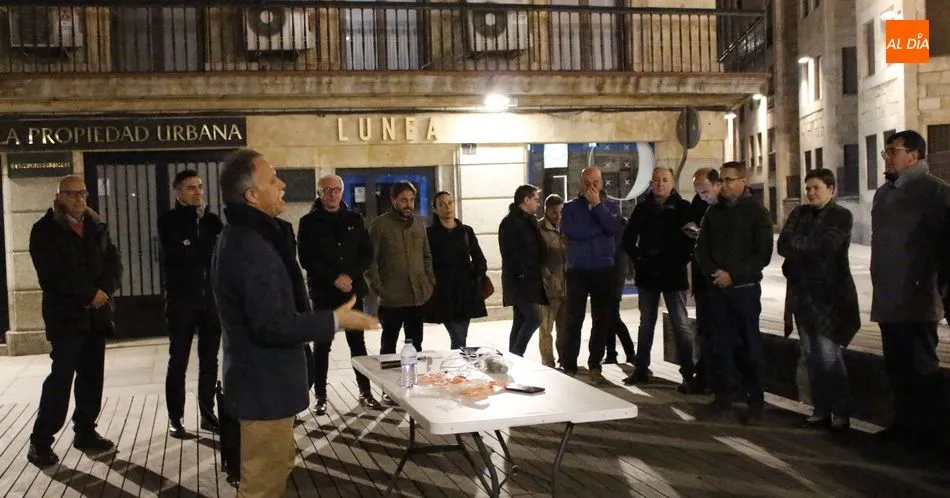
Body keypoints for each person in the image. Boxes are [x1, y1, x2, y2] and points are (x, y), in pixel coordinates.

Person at [212, 149, 378, 497]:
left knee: (276, 471)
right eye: (273, 178)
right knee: (262, 484)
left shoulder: (258, 236)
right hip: (263, 387)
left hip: (268, 386)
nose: (283, 183)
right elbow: (271, 325)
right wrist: (334, 319)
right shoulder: (249, 245)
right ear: (252, 195)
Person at [26, 175, 122, 468]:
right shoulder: (44, 230)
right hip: (66, 317)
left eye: (82, 193)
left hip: (95, 316)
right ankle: (41, 441)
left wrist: (105, 291)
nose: (79, 198)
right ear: (59, 197)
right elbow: (53, 274)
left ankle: (85, 431)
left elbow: (113, 261)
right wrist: (89, 293)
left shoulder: (96, 225)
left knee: (92, 377)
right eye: (71, 194)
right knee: (61, 379)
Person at [870, 130, 950, 450]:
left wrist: (941, 289)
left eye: (893, 151)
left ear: (914, 156)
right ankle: (903, 426)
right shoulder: (883, 194)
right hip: (889, 298)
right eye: (885, 152)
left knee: (921, 369)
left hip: (918, 299)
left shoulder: (936, 193)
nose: (887, 157)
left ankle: (928, 435)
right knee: (897, 369)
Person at [778, 168, 860, 432]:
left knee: (829, 356)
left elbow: (827, 246)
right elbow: (783, 245)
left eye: (817, 188)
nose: (811, 192)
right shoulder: (799, 213)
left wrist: (799, 246)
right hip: (802, 296)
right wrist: (804, 246)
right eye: (809, 188)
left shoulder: (841, 215)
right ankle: (820, 410)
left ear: (831, 189)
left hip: (829, 298)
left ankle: (841, 414)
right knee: (811, 356)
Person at [694, 162, 773, 424]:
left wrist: (734, 275)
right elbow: (700, 249)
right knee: (719, 345)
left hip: (744, 291)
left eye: (730, 180)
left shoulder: (757, 212)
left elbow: (761, 254)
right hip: (717, 291)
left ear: (743, 181)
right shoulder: (713, 213)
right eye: (722, 181)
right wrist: (714, 273)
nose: (725, 185)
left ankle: (756, 401)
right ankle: (723, 397)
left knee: (750, 346)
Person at [298, 174, 382, 415]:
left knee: (358, 344)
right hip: (324, 292)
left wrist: (349, 276)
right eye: (327, 190)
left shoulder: (355, 218)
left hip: (352, 290)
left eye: (336, 190)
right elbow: (307, 258)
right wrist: (335, 278)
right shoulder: (308, 222)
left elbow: (366, 253)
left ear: (342, 192)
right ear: (319, 193)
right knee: (322, 345)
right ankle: (321, 396)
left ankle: (365, 392)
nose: (333, 194)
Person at [158, 169, 224, 439]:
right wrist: (195, 245)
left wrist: (194, 245)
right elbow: (178, 255)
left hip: (211, 301)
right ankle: (176, 418)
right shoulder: (169, 221)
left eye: (200, 187)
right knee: (179, 360)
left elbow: (216, 254)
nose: (197, 192)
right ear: (178, 192)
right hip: (181, 301)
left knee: (209, 360)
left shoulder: (212, 220)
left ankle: (207, 414)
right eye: (190, 188)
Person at [622, 167, 694, 386]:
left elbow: (692, 239)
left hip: (673, 274)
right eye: (656, 180)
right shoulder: (642, 209)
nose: (660, 184)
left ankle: (689, 373)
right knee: (646, 324)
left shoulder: (683, 208)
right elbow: (628, 239)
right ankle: (641, 369)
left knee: (681, 324)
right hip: (648, 274)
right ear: (651, 184)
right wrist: (639, 260)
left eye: (665, 180)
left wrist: (680, 260)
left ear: (672, 183)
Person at [560, 167, 621, 383]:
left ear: (602, 183)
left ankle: (595, 363)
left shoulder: (610, 206)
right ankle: (569, 364)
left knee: (601, 319)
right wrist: (599, 228)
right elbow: (572, 232)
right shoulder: (569, 208)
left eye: (596, 182)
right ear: (581, 183)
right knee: (573, 319)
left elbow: (613, 228)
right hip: (577, 269)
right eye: (587, 183)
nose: (592, 187)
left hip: (603, 269)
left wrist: (597, 207)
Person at [366, 181, 436, 357]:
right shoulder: (380, 226)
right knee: (388, 347)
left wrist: (429, 282)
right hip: (392, 299)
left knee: (416, 347)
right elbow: (370, 261)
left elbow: (426, 256)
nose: (409, 204)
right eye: (404, 200)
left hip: (416, 296)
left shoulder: (418, 225)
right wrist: (381, 289)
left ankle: (414, 381)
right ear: (393, 200)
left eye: (412, 200)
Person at [423, 191, 489, 349]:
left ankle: (457, 367)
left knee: (461, 336)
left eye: (450, 203)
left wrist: (475, 278)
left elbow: (480, 259)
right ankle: (458, 367)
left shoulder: (466, 231)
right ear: (435, 209)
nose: (447, 208)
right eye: (442, 204)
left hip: (465, 292)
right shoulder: (429, 234)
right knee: (458, 335)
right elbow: (425, 261)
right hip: (444, 293)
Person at [682, 167, 721, 394]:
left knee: (720, 332)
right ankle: (703, 376)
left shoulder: (723, 208)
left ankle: (721, 381)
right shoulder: (699, 204)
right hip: (702, 278)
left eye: (705, 191)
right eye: (698, 191)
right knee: (704, 331)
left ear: (717, 185)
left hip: (722, 280)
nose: (702, 196)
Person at [498, 184, 547, 356]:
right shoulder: (510, 222)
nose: (538, 204)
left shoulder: (529, 220)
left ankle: (513, 358)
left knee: (520, 320)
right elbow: (509, 253)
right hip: (520, 281)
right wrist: (522, 274)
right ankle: (517, 355)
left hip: (531, 279)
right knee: (535, 318)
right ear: (526, 200)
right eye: (535, 199)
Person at [538, 194, 568, 368]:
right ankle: (548, 362)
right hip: (549, 288)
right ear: (546, 210)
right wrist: (548, 276)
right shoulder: (539, 229)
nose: (558, 215)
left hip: (568, 286)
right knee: (546, 329)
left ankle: (565, 359)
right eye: (554, 212)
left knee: (564, 329)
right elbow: (537, 259)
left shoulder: (567, 227)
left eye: (560, 211)